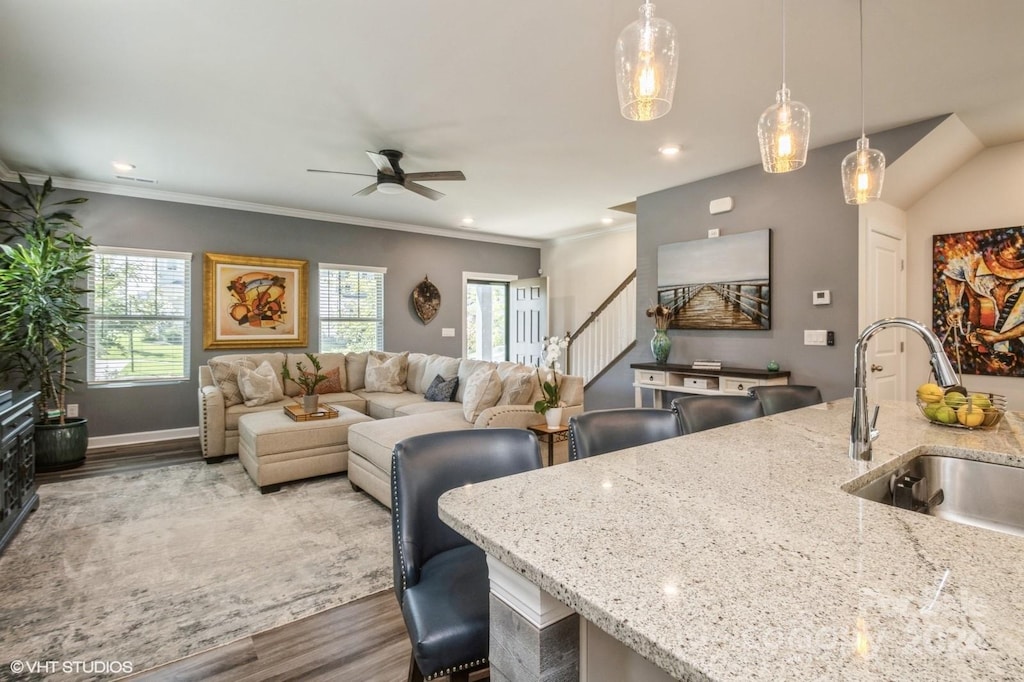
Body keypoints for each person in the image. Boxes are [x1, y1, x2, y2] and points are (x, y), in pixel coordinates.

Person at [942, 231, 1024, 371]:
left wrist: (1000, 337)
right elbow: (952, 273)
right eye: (1000, 271)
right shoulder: (971, 261)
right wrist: (955, 305)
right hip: (977, 345)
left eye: (1012, 276)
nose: (1004, 278)